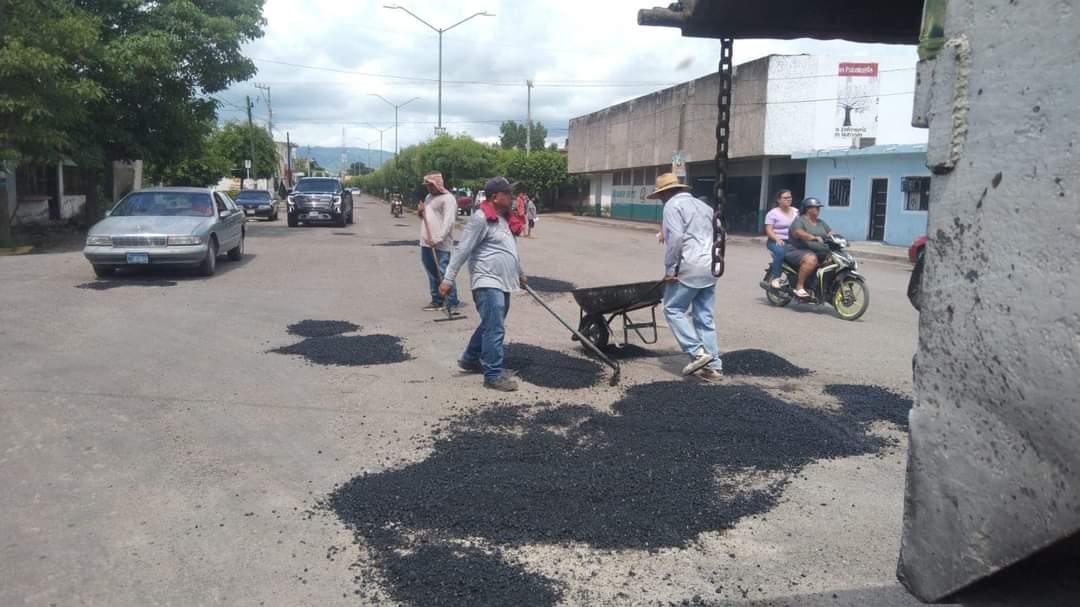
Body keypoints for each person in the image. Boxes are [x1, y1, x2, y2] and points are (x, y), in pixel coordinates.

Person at [440, 176, 527, 392]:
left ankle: (470, 359)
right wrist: (448, 279)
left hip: (504, 281)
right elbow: (463, 249)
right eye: (508, 193)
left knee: (490, 323)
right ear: (495, 197)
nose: (512, 197)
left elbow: (510, 251)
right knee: (495, 328)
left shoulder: (504, 219)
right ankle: (493, 375)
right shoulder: (480, 219)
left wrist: (521, 273)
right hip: (487, 281)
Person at [648, 172, 723, 382]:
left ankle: (698, 353)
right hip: (710, 265)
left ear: (667, 193)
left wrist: (670, 269)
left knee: (673, 309)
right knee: (704, 316)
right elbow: (720, 233)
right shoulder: (704, 207)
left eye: (662, 196)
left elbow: (676, 239)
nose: (662, 200)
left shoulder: (672, 206)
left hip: (689, 266)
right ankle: (714, 366)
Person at [417, 172, 460, 311]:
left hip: (441, 243)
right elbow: (427, 218)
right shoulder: (429, 197)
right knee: (431, 273)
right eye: (427, 186)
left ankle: (451, 301)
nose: (429, 188)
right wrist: (420, 212)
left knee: (444, 272)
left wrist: (437, 239)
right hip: (427, 242)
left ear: (438, 184)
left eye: (431, 185)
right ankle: (437, 300)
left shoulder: (448, 199)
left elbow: (448, 222)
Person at [785, 197, 833, 299]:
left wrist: (838, 239)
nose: (818, 210)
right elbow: (798, 232)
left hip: (817, 251)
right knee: (811, 259)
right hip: (796, 250)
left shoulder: (821, 222)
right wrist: (813, 237)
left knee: (834, 260)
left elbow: (830, 233)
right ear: (808, 209)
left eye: (819, 208)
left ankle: (822, 288)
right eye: (816, 208)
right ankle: (799, 286)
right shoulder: (800, 220)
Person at [763, 189, 799, 289]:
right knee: (780, 252)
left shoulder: (796, 211)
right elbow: (769, 230)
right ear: (779, 200)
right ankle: (776, 278)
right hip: (775, 241)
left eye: (790, 197)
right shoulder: (772, 213)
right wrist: (777, 239)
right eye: (785, 198)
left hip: (793, 241)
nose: (788, 199)